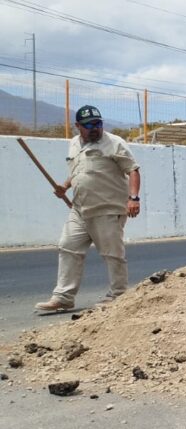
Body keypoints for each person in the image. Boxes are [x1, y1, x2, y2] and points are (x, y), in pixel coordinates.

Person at [36, 105, 141, 312]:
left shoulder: (114, 143)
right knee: (68, 247)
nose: (95, 128)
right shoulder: (74, 143)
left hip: (108, 209)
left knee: (112, 254)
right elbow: (79, 170)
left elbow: (133, 170)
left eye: (98, 123)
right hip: (80, 208)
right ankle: (63, 297)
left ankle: (118, 295)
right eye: (89, 125)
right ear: (77, 126)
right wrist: (65, 186)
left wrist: (134, 198)